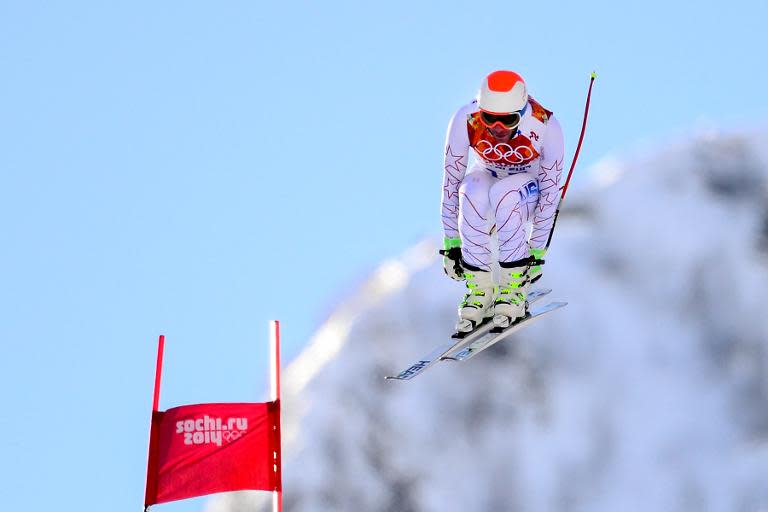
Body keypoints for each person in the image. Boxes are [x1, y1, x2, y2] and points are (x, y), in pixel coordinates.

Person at [440, 70, 564, 333]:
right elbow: (451, 181)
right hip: (486, 176)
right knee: (470, 191)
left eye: (507, 121)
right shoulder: (466, 119)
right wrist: (451, 242)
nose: (497, 130)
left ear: (521, 113)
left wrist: (537, 252)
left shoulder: (544, 126)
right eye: (489, 119)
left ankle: (513, 287)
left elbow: (551, 192)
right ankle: (480, 290)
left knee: (504, 195)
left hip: (526, 187)